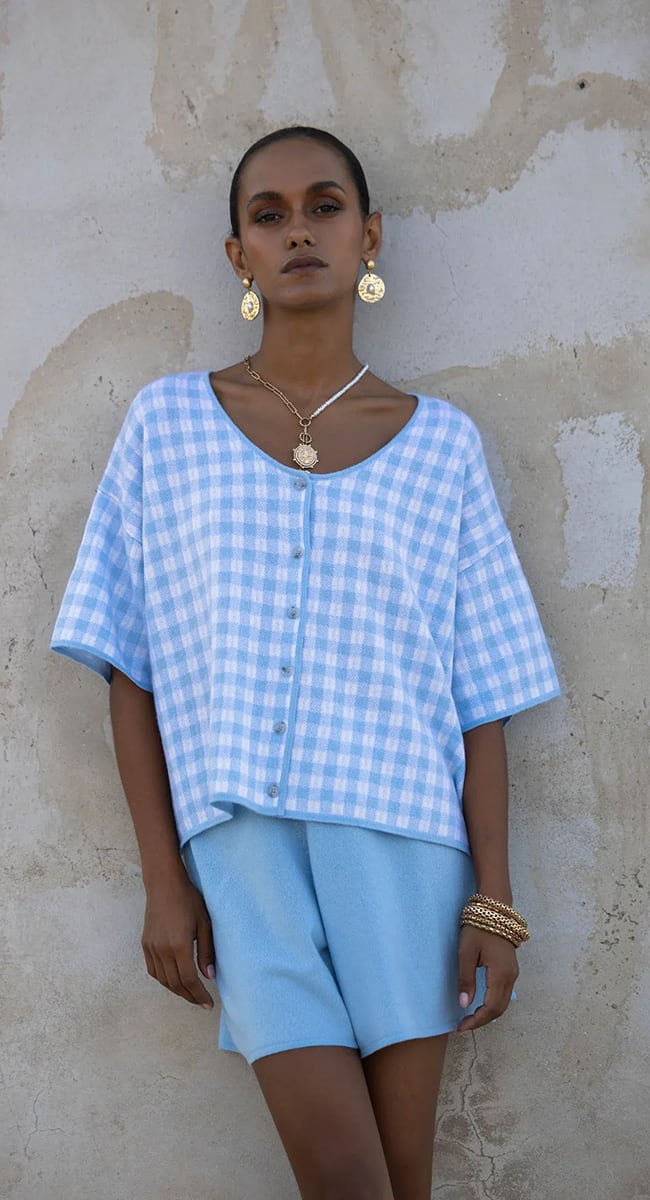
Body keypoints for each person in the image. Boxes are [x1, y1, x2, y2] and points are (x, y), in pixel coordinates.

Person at [50, 126, 561, 1200]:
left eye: (324, 206)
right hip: (242, 855)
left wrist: (493, 905)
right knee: (344, 1179)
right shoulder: (166, 427)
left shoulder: (441, 447)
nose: (298, 232)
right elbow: (130, 668)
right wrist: (163, 882)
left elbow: (483, 699)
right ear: (237, 253)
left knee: (401, 1183)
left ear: (368, 236)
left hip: (406, 854)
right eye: (268, 214)